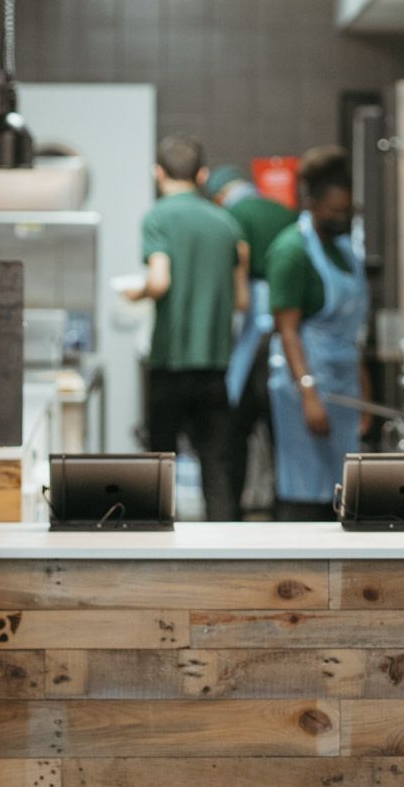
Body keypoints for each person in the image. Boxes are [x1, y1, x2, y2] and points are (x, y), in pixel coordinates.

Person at [126, 136, 249, 520]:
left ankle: (155, 551)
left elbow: (159, 281)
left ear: (157, 173)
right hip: (214, 366)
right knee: (217, 466)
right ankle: (224, 556)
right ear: (202, 175)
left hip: (171, 362)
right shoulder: (228, 223)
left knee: (161, 466)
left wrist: (137, 292)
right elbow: (242, 299)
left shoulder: (158, 216)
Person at [265, 146, 370, 520]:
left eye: (347, 210)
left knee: (341, 492)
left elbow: (350, 331)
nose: (341, 217)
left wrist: (362, 387)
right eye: (334, 211)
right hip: (304, 385)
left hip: (343, 383)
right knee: (305, 490)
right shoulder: (291, 251)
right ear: (311, 203)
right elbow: (287, 331)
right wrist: (308, 391)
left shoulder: (344, 250)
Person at [205, 164, 295, 514]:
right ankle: (284, 513)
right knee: (281, 437)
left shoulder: (228, 218)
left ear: (219, 194)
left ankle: (232, 514)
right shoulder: (285, 213)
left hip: (249, 336)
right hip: (287, 333)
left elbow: (236, 287)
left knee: (234, 434)